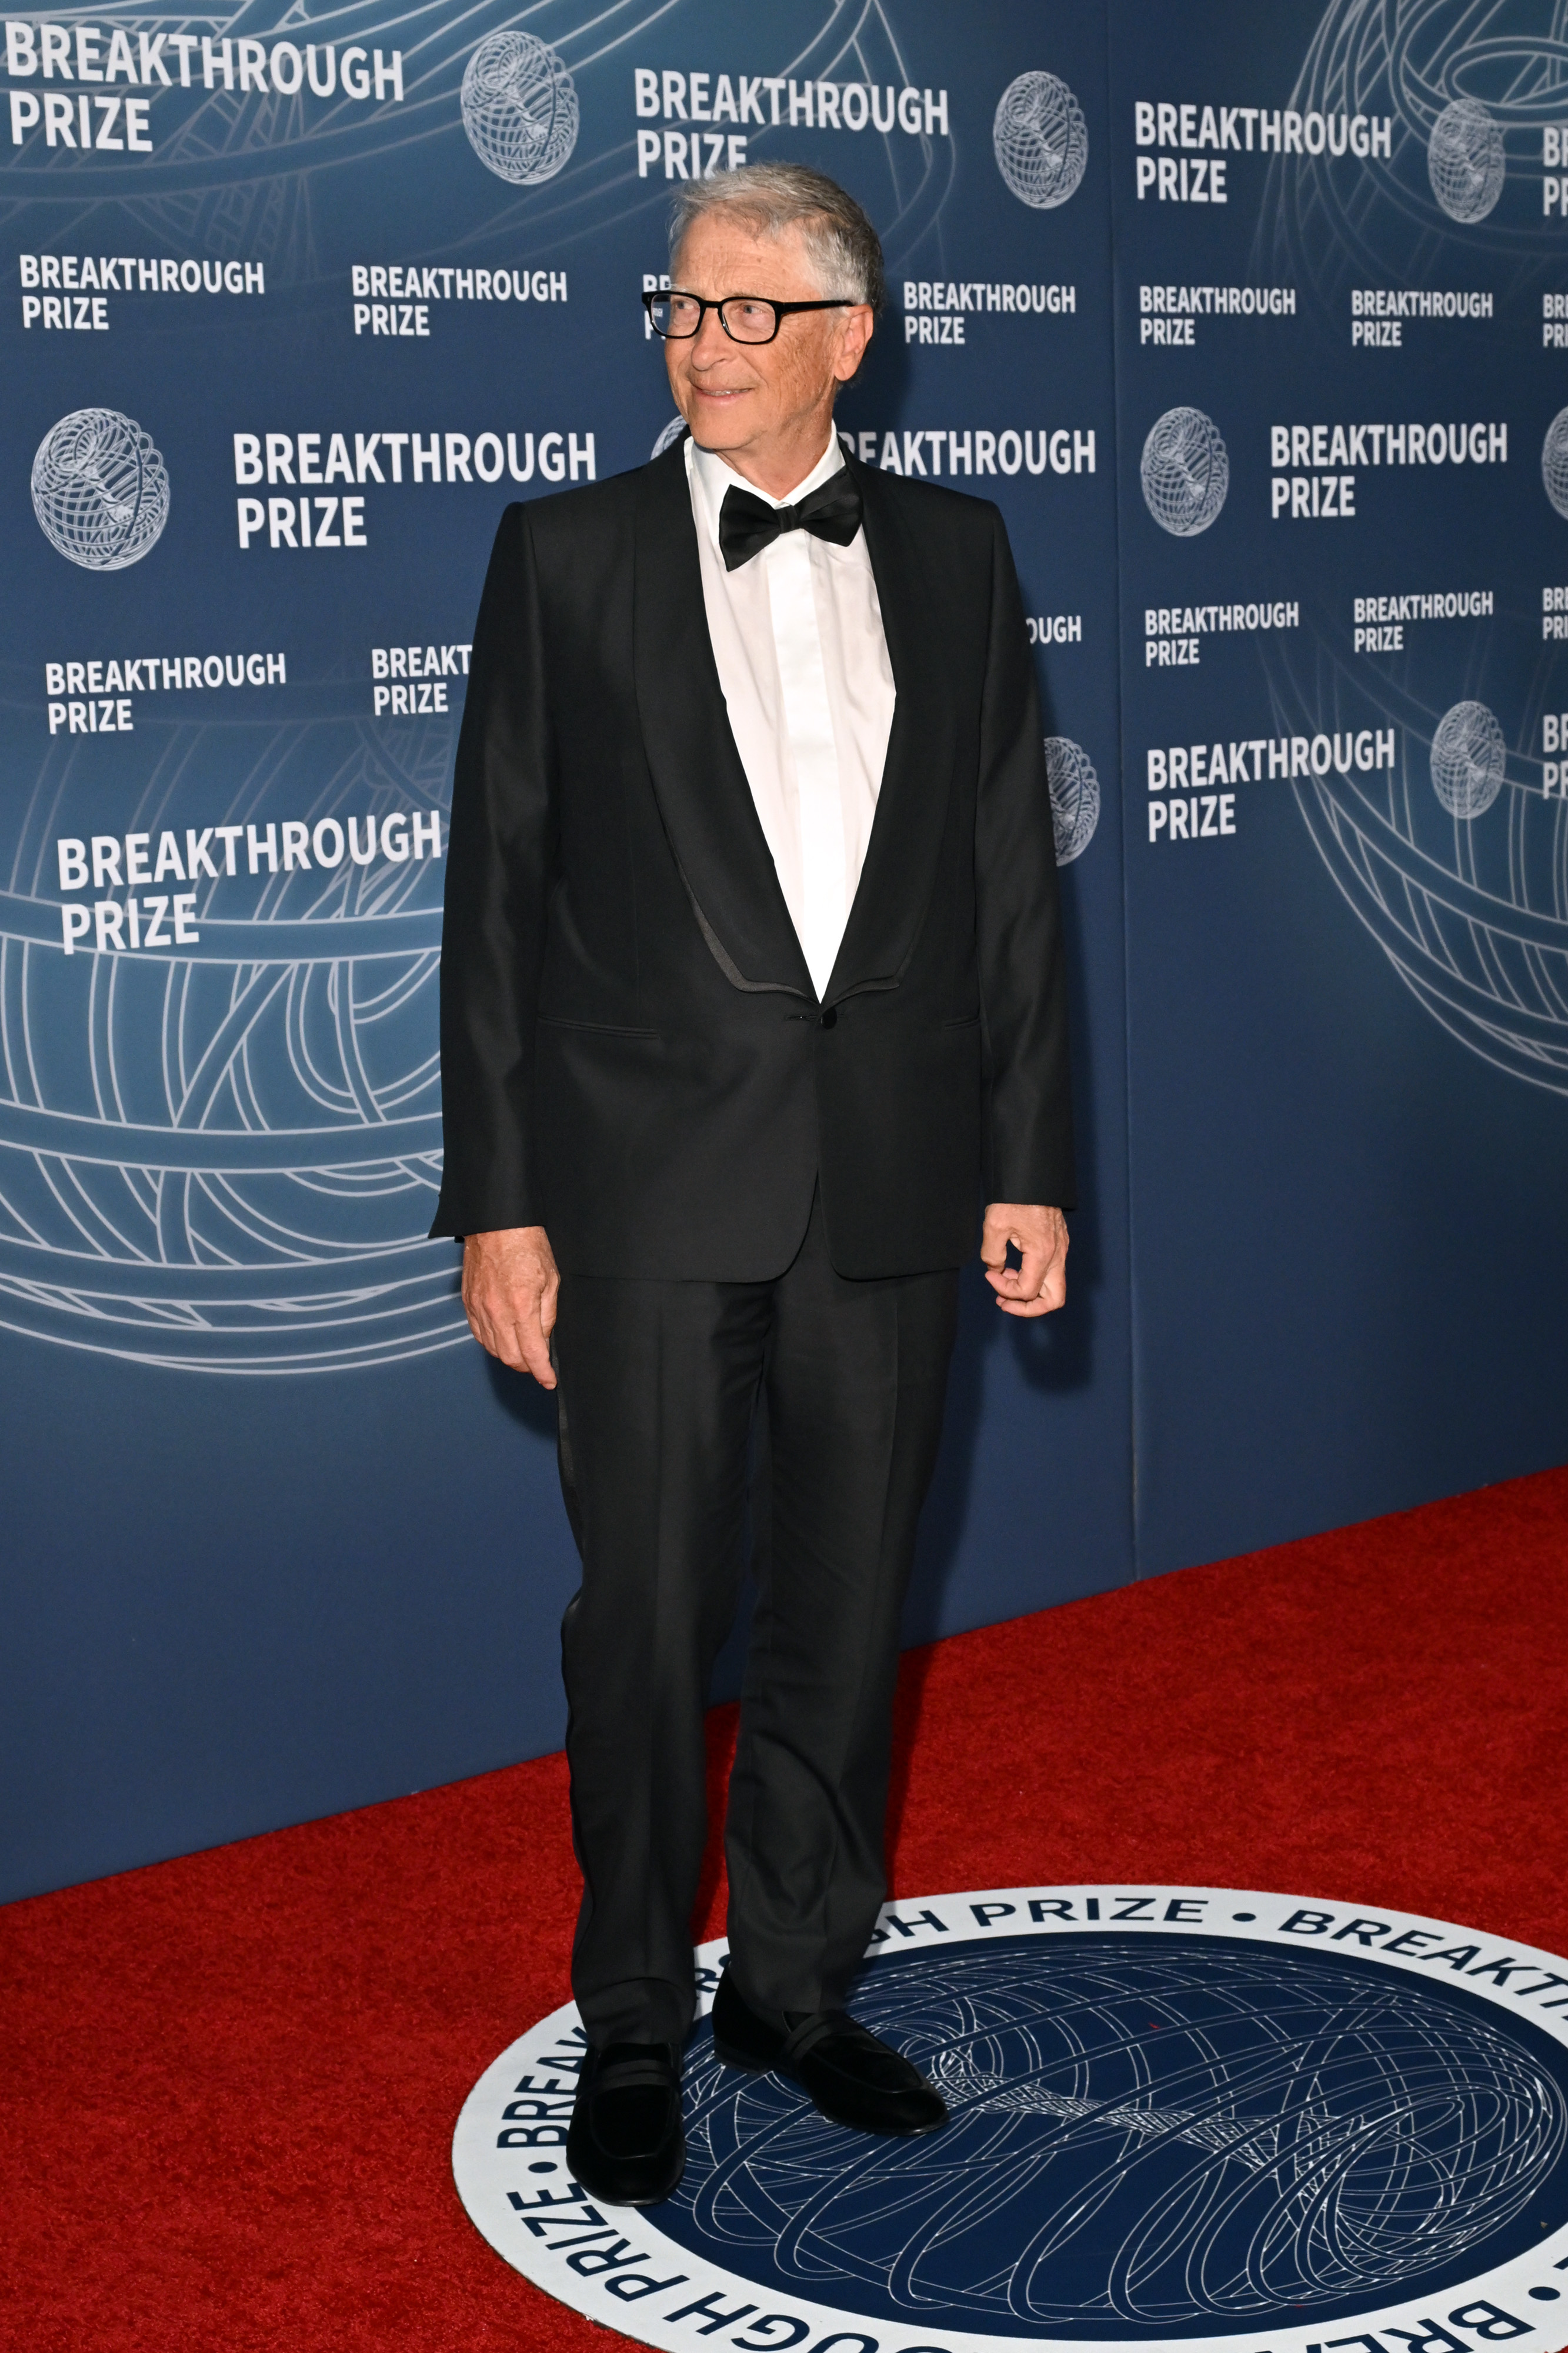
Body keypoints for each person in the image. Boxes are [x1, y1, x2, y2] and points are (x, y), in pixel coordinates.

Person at [432, 162, 1074, 2208]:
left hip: (885, 1186)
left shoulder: (962, 555)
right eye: (678, 312)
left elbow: (1002, 896)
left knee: (843, 1613)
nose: (697, 346)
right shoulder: (567, 555)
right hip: (631, 1200)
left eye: (738, 315)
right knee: (640, 1622)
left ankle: (792, 1985)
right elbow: (492, 905)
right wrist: (497, 1200)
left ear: (843, 340)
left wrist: (1027, 1161)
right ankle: (631, 2013)